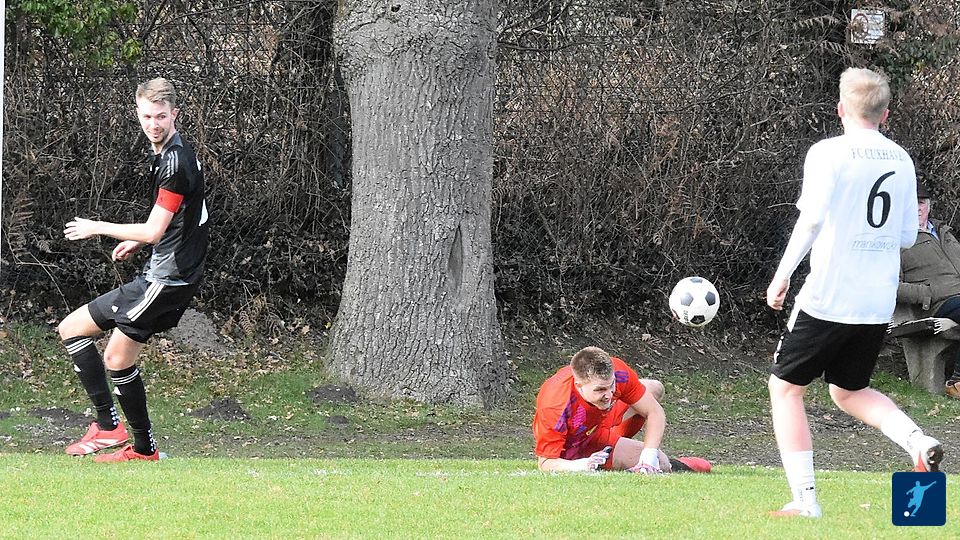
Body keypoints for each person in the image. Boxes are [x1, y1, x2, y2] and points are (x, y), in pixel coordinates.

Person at [766, 67, 942, 518]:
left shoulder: (827, 152)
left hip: (830, 294)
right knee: (848, 390)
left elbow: (811, 220)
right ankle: (917, 440)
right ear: (886, 113)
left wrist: (782, 275)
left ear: (840, 108)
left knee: (784, 389)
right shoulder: (901, 159)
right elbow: (907, 235)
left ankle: (805, 501)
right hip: (876, 301)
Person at [59, 78, 209, 462]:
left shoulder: (174, 163)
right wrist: (139, 241)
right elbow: (178, 218)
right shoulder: (171, 153)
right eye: (147, 116)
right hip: (165, 273)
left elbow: (156, 230)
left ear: (174, 114)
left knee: (114, 358)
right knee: (73, 330)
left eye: (161, 116)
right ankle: (129, 440)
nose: (153, 124)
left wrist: (97, 227)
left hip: (169, 279)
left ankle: (125, 438)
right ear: (137, 114)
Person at [532, 346, 711, 473]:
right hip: (576, 445)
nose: (609, 395)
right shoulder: (555, 404)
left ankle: (620, 442)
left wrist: (648, 457)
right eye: (600, 390)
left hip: (599, 426)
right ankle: (618, 450)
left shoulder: (619, 373)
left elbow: (655, 412)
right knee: (662, 462)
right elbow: (546, 463)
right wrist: (583, 464)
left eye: (611, 385)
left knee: (654, 388)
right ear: (579, 385)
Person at [896, 183, 960, 398]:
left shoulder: (944, 233)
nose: (916, 207)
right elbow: (889, 286)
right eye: (910, 203)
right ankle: (956, 381)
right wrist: (927, 293)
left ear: (929, 206)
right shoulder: (897, 240)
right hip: (937, 304)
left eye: (921, 202)